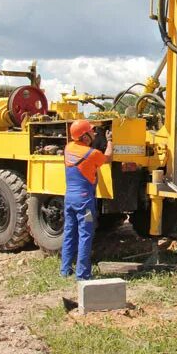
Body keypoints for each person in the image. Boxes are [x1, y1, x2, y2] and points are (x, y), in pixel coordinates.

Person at [61, 119, 113, 280]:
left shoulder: (68, 148)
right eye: (91, 132)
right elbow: (108, 158)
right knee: (85, 234)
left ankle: (65, 270)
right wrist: (110, 141)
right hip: (84, 203)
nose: (94, 133)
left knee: (69, 232)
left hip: (69, 199)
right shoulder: (92, 154)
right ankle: (82, 274)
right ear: (84, 137)